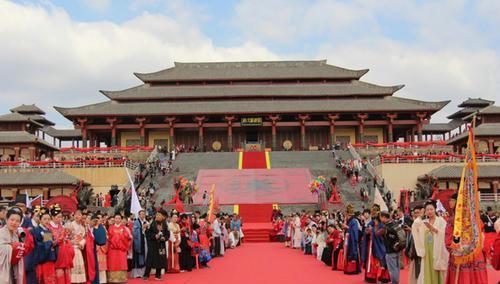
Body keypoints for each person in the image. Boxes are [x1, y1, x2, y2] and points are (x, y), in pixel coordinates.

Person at [445, 194, 487, 284]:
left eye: (452, 200)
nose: (450, 203)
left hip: (473, 253)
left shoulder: (475, 220)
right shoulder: (453, 220)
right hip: (460, 252)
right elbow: (448, 238)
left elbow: (480, 235)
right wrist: (456, 247)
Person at [413, 200, 449, 284]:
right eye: (427, 210)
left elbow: (446, 234)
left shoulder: (441, 220)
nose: (429, 211)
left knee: (437, 269)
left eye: (431, 209)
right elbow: (414, 226)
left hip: (437, 249)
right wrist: (420, 216)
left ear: (435, 209)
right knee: (427, 269)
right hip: (427, 250)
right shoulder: (424, 222)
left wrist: (434, 230)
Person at [361, 205, 390, 283]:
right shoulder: (372, 222)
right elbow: (366, 230)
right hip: (371, 244)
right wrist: (367, 231)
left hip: (379, 245)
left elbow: (381, 234)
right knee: (371, 261)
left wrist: (372, 230)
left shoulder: (382, 224)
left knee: (380, 261)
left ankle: (383, 277)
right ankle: (371, 276)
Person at [0, 207, 29, 284]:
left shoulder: (16, 235)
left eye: (17, 221)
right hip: (2, 271)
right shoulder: (1, 233)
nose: (14, 223)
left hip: (12, 270)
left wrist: (19, 246)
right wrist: (13, 247)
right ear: (6, 219)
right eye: (12, 220)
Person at [48, 205, 74, 284]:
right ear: (52, 217)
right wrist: (59, 239)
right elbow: (48, 242)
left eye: (61, 217)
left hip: (64, 253)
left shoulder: (61, 226)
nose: (60, 219)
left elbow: (66, 238)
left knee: (66, 273)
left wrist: (67, 238)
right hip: (55, 253)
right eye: (58, 217)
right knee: (58, 275)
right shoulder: (48, 227)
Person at [32, 207, 57, 283]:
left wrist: (51, 243)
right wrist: (49, 243)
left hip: (49, 258)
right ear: (40, 220)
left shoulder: (47, 230)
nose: (47, 221)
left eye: (48, 219)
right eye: (45, 219)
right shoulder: (36, 230)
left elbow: (48, 243)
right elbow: (37, 245)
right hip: (42, 260)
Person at [143, 210, 169, 280]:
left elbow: (167, 234)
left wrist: (165, 238)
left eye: (159, 215)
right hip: (153, 245)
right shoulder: (152, 223)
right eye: (157, 215)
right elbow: (148, 233)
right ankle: (146, 275)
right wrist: (155, 236)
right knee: (150, 260)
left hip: (161, 245)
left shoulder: (164, 224)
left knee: (160, 260)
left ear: (162, 217)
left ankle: (158, 275)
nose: (158, 216)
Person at [379, 211, 403, 284]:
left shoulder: (386, 227)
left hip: (390, 250)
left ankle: (395, 282)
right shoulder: (395, 223)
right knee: (396, 268)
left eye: (380, 217)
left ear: (383, 217)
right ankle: (396, 282)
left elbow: (379, 234)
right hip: (398, 248)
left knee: (392, 270)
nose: (380, 219)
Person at [107, 213, 131, 283]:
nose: (117, 220)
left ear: (121, 219)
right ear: (114, 219)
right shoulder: (110, 227)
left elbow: (127, 237)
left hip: (121, 249)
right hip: (112, 249)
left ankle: (121, 278)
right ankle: (112, 278)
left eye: (119, 218)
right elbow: (109, 238)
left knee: (121, 263)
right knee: (113, 262)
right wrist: (117, 239)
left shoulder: (124, 228)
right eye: (116, 218)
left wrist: (120, 238)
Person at [67, 210, 87, 283]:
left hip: (78, 249)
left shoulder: (82, 228)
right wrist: (71, 242)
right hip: (70, 249)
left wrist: (81, 243)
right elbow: (65, 237)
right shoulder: (69, 225)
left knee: (78, 266)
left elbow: (84, 238)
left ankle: (79, 281)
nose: (77, 216)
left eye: (79, 215)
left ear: (81, 216)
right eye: (76, 214)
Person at [407, 205, 423, 284]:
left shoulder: (421, 223)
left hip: (418, 252)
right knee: (413, 272)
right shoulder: (415, 222)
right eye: (414, 213)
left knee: (418, 272)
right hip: (413, 251)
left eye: (418, 212)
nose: (416, 214)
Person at [343, 206, 361, 275]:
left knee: (353, 252)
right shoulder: (350, 220)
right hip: (349, 238)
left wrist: (346, 227)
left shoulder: (354, 221)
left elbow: (354, 231)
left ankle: (353, 269)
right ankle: (349, 268)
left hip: (352, 239)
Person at [91, 214, 107, 284]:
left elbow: (104, 240)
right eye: (98, 218)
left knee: (101, 267)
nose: (99, 220)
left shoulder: (103, 228)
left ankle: (102, 281)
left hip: (101, 249)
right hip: (92, 249)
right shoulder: (90, 227)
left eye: (100, 218)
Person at [131, 210, 147, 278]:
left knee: (144, 255)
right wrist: (141, 228)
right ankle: (136, 273)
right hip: (138, 242)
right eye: (141, 214)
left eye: (144, 214)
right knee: (137, 257)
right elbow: (134, 232)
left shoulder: (146, 222)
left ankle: (143, 272)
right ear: (139, 215)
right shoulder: (136, 222)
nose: (142, 215)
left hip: (144, 241)